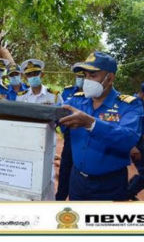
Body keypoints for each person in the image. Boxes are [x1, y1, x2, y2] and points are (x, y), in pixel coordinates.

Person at [59, 51, 144, 201]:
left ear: (110, 78)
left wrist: (90, 123)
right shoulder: (76, 101)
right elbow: (50, 113)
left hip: (110, 185)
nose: (87, 81)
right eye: (85, 76)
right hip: (78, 181)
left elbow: (128, 138)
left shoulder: (129, 105)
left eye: (93, 76)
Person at [16, 59, 63, 201]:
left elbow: (61, 118)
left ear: (42, 75)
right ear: (25, 77)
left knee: (47, 176)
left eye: (36, 73)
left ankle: (49, 205)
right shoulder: (21, 96)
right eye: (29, 75)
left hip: (47, 141)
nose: (33, 77)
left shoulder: (53, 95)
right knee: (27, 173)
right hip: (27, 142)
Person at [56, 71, 85, 200]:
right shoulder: (68, 91)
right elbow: (59, 111)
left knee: (81, 171)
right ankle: (60, 200)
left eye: (84, 76)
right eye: (79, 76)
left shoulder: (96, 95)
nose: (82, 79)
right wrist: (64, 129)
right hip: (71, 135)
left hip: (88, 136)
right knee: (65, 170)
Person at [127, 81, 144, 200]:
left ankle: (128, 190)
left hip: (140, 141)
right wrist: (132, 146)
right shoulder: (135, 105)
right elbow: (130, 127)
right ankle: (126, 194)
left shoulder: (140, 103)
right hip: (136, 142)